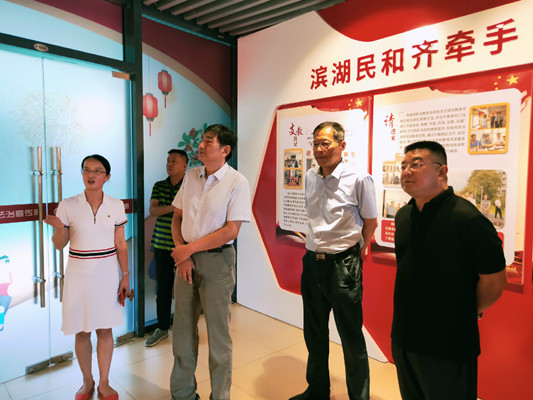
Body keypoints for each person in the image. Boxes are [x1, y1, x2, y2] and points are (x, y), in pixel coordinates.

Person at [392, 141, 507, 399]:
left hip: (448, 344)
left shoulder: (467, 218)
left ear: (441, 172)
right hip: (404, 337)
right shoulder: (404, 216)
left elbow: (494, 281)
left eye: (416, 164)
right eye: (404, 166)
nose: (407, 171)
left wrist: (464, 311)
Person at [290, 121, 378, 400]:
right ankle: (317, 390)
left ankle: (359, 396)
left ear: (342, 145)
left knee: (351, 337)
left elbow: (371, 221)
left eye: (325, 143)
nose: (319, 149)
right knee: (314, 332)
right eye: (316, 143)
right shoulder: (309, 176)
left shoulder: (359, 178)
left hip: (344, 265)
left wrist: (356, 253)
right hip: (312, 263)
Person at [169, 124, 251, 400]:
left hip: (218, 262)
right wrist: (183, 254)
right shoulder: (192, 175)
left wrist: (187, 250)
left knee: (218, 335)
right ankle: (183, 393)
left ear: (225, 150)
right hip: (185, 261)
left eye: (208, 141)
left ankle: (220, 395)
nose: (201, 146)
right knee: (182, 330)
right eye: (201, 141)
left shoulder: (237, 182)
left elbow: (231, 231)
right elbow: (177, 218)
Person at [44, 155, 129, 400]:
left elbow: (120, 243)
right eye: (86, 170)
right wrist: (59, 228)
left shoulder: (116, 205)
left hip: (107, 273)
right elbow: (59, 245)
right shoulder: (68, 205)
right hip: (78, 275)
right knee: (81, 331)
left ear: (107, 177)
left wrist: (125, 276)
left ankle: (104, 383)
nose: (91, 175)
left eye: (97, 171)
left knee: (105, 329)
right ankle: (87, 382)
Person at [145, 149, 189, 347]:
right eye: (168, 161)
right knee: (163, 289)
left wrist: (170, 207)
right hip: (161, 245)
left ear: (185, 165)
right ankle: (162, 328)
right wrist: (176, 206)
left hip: (184, 246)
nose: (169, 164)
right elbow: (153, 210)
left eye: (174, 161)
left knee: (186, 290)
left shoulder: (191, 185)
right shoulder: (160, 185)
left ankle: (186, 329)